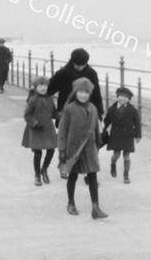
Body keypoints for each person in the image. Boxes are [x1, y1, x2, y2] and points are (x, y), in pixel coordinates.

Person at [57, 77, 108, 219]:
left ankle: (95, 207)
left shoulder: (93, 108)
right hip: (74, 148)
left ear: (90, 93)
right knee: (72, 176)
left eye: (86, 92)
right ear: (75, 92)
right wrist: (61, 149)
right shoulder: (69, 109)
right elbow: (62, 131)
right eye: (80, 92)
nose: (83, 95)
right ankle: (71, 203)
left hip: (90, 148)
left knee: (92, 175)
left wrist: (98, 144)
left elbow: (96, 129)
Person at [48, 48, 104, 120]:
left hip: (86, 111)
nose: (80, 68)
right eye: (77, 65)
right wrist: (33, 95)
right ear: (72, 62)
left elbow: (96, 95)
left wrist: (99, 113)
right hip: (66, 111)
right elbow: (49, 88)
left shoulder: (91, 73)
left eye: (83, 65)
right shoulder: (63, 73)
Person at [22, 76, 58, 186]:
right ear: (36, 87)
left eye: (45, 85)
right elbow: (27, 115)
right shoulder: (33, 99)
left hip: (48, 128)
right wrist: (34, 122)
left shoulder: (50, 98)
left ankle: (44, 169)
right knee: (37, 153)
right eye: (40, 86)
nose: (43, 88)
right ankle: (37, 175)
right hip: (36, 129)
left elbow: (54, 113)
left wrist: (62, 116)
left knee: (51, 150)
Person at [103, 87, 141, 184]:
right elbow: (107, 121)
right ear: (117, 97)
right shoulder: (112, 109)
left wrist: (138, 135)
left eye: (125, 97)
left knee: (126, 155)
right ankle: (113, 164)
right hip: (116, 135)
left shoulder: (133, 110)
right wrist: (101, 130)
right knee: (116, 154)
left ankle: (126, 175)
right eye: (120, 96)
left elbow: (137, 123)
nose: (122, 99)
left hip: (128, 135)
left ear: (129, 99)